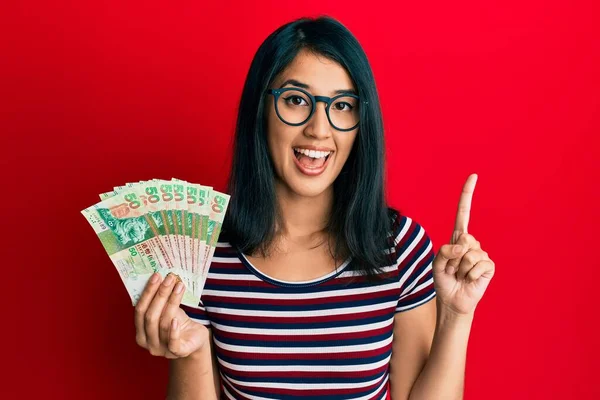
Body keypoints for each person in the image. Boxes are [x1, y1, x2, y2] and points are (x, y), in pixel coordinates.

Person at [133, 16, 495, 400]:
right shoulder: (201, 252)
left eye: (341, 106)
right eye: (295, 100)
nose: (319, 129)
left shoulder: (400, 247)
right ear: (260, 108)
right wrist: (189, 353)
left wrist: (456, 316)